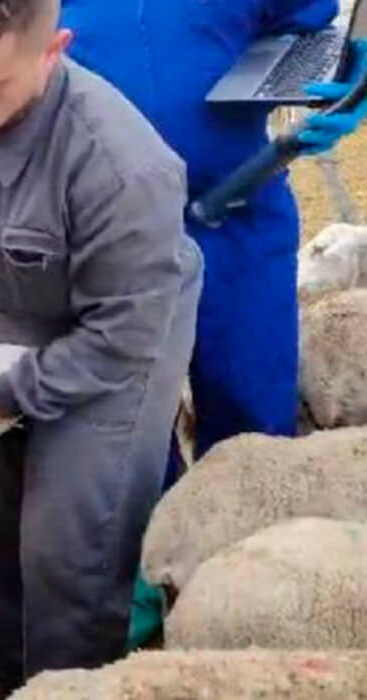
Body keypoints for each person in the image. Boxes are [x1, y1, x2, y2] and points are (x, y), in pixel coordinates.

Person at [0, 0, 203, 697]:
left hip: (117, 345)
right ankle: (11, 683)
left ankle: (70, 685)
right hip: (4, 324)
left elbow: (121, 339)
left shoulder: (121, 167)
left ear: (53, 51)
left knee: (68, 547)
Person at [58, 0, 367, 650]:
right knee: (126, 436)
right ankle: (149, 632)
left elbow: (306, 20)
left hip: (237, 210)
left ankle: (263, 627)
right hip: (106, 228)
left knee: (254, 432)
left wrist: (345, 69)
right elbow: (1, 49)